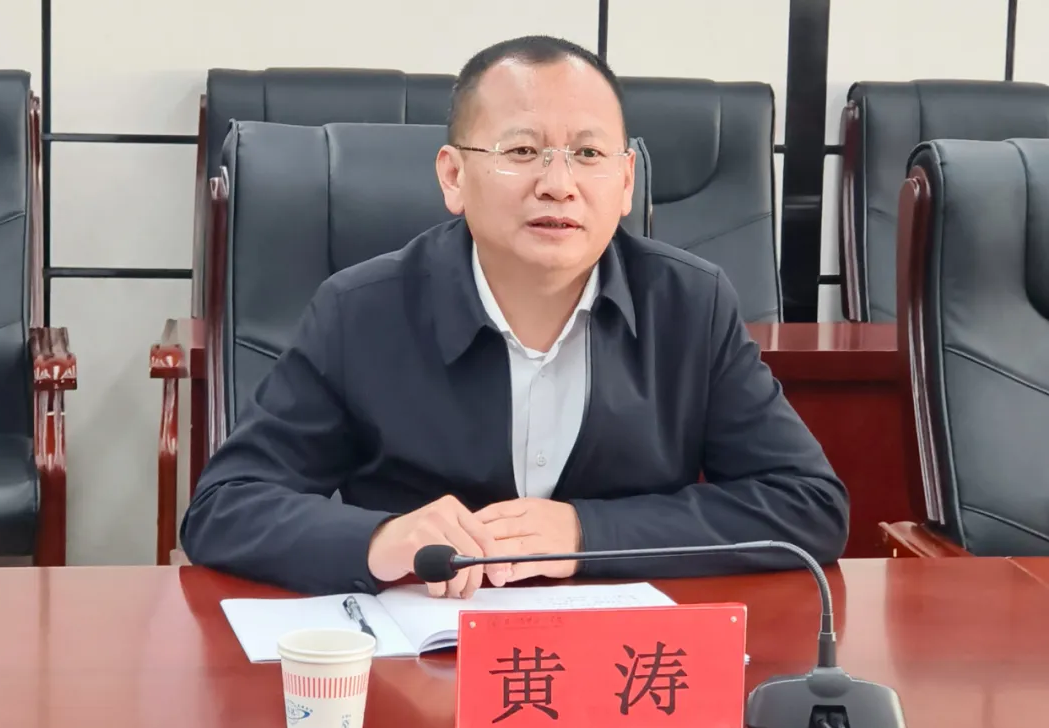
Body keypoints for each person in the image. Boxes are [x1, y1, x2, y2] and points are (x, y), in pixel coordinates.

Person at [180, 35, 849, 598]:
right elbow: (225, 507)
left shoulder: (689, 306)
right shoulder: (361, 312)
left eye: (588, 154)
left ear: (625, 183)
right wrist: (379, 540)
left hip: (614, 670)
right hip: (418, 668)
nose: (558, 184)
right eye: (523, 151)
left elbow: (807, 505)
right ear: (453, 176)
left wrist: (586, 534)